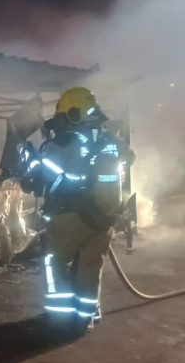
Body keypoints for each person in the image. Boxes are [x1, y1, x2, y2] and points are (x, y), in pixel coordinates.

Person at [18, 87, 134, 333]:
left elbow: (39, 179)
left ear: (72, 113)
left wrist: (29, 163)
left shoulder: (62, 143)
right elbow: (129, 158)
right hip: (103, 218)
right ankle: (85, 318)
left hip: (68, 216)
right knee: (90, 268)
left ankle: (59, 319)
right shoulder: (111, 141)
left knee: (55, 264)